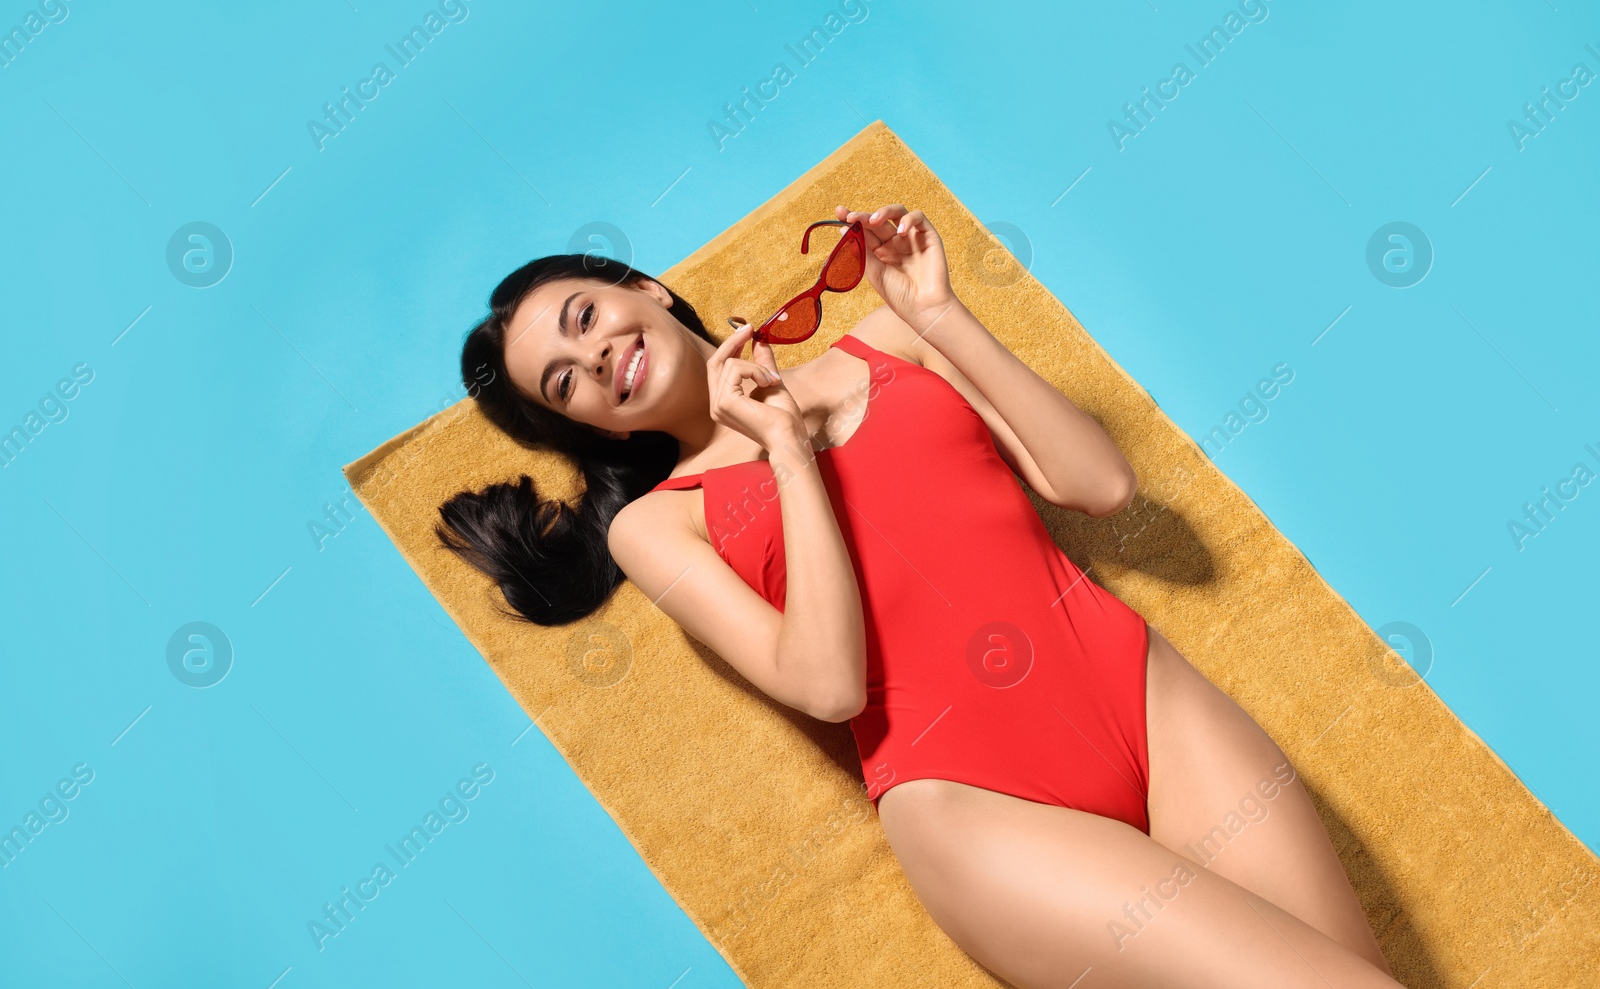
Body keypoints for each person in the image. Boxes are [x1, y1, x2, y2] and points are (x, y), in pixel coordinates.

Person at [438, 204, 1403, 988]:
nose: (597, 359)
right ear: (592, 427)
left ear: (641, 289)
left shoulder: (891, 336)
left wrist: (940, 312)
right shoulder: (656, 525)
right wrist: (780, 448)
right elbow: (825, 685)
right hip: (977, 809)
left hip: (1139, 696)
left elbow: (1098, 485)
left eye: (583, 319)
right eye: (566, 381)